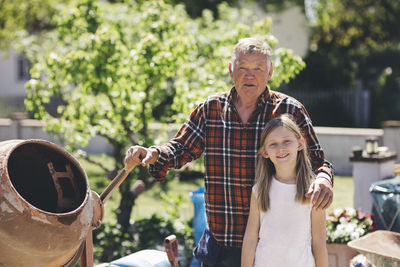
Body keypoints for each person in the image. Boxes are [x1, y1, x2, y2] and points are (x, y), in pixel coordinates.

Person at [124, 37, 334, 267]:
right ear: (231, 69)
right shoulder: (210, 109)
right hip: (220, 243)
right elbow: (180, 149)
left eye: (258, 68)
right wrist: (153, 153)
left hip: (270, 250)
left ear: (270, 72)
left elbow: (318, 162)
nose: (249, 75)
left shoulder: (289, 110)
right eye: (242, 67)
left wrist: (323, 178)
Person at [241, 114, 328, 267]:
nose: (281, 148)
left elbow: (319, 243)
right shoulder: (259, 190)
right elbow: (250, 239)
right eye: (273, 144)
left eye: (287, 141)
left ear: (300, 143)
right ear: (265, 152)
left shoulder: (313, 190)